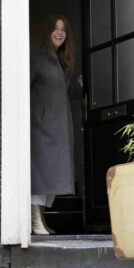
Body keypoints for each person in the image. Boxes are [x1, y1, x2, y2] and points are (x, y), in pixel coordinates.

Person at [30, 14, 83, 235]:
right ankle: (34, 221)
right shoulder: (36, 57)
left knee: (52, 175)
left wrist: (80, 87)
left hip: (59, 129)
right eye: (55, 28)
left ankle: (40, 219)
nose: (60, 32)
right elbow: (23, 87)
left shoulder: (59, 63)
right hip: (41, 127)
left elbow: (64, 92)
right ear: (47, 31)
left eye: (63, 29)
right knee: (41, 173)